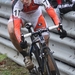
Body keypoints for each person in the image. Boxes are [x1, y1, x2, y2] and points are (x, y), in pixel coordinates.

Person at [7, 0, 67, 75]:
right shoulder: (17, 4)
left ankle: (52, 71)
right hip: (21, 16)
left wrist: (59, 28)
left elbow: (51, 10)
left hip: (36, 15)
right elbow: (16, 27)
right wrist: (20, 41)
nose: (25, 1)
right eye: (22, 0)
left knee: (45, 43)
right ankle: (25, 55)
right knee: (11, 30)